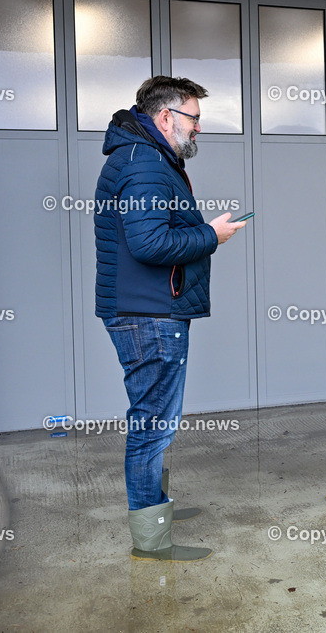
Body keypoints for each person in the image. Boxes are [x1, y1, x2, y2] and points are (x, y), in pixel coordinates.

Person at [95, 76, 245, 561]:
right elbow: (150, 244)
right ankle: (151, 539)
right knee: (153, 424)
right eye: (194, 118)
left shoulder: (150, 158)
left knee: (155, 419)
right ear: (166, 118)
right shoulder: (144, 166)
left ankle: (154, 504)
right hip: (148, 315)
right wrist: (210, 235)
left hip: (150, 309)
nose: (199, 128)